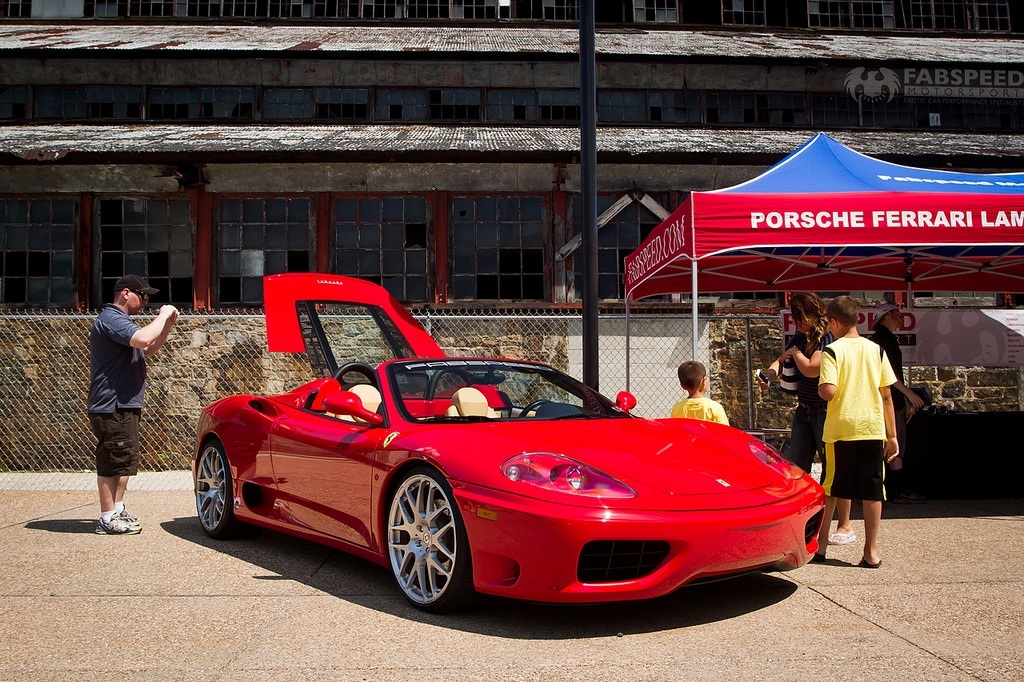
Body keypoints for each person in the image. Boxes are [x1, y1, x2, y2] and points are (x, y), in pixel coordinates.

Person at [758, 293, 856, 547]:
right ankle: (798, 521)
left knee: (833, 468)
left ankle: (844, 524)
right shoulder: (801, 337)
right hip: (804, 409)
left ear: (811, 315)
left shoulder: (829, 336)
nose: (796, 323)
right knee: (797, 464)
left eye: (799, 318)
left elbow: (812, 367)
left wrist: (795, 354)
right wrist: (769, 373)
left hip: (827, 410)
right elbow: (781, 360)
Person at [88, 275, 179, 535]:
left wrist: (166, 326)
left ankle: (117, 509)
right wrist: (161, 315)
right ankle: (107, 517)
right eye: (143, 295)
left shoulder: (124, 322)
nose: (146, 301)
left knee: (124, 459)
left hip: (125, 403)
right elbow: (141, 339)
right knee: (111, 459)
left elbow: (146, 348)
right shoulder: (111, 318)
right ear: (125, 293)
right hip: (111, 403)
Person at [814, 296, 899, 569]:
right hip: (872, 428)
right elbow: (887, 396)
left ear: (834, 322)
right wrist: (893, 435)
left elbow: (828, 390)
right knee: (873, 491)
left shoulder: (832, 351)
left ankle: (821, 546)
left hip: (841, 430)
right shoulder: (877, 350)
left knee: (831, 488)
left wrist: (820, 388)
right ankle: (871, 552)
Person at [870, 302, 927, 504]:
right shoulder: (883, 340)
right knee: (895, 447)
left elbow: (893, 373)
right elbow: (888, 375)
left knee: (892, 446)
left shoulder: (884, 340)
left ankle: (894, 489)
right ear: (887, 316)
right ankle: (899, 489)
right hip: (888, 400)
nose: (900, 317)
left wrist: (904, 397)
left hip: (893, 399)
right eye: (896, 313)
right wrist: (908, 394)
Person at [671, 360, 729, 425]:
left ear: (682, 386)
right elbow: (725, 432)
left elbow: (675, 431)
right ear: (703, 381)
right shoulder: (715, 408)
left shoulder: (677, 408)